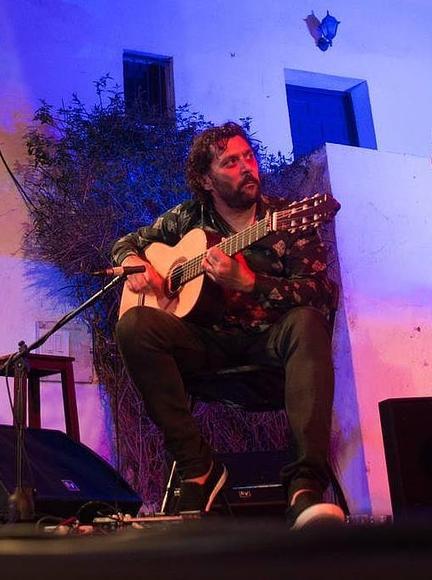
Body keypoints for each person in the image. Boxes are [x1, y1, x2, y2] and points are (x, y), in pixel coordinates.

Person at [112, 122, 344, 530]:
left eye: (248, 157)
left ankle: (305, 488)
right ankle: (198, 467)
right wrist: (134, 263)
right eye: (231, 162)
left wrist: (251, 283)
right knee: (134, 326)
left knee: (307, 322)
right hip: (206, 347)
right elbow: (127, 243)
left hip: (270, 348)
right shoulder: (188, 218)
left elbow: (320, 295)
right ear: (207, 179)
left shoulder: (288, 218)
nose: (246, 167)